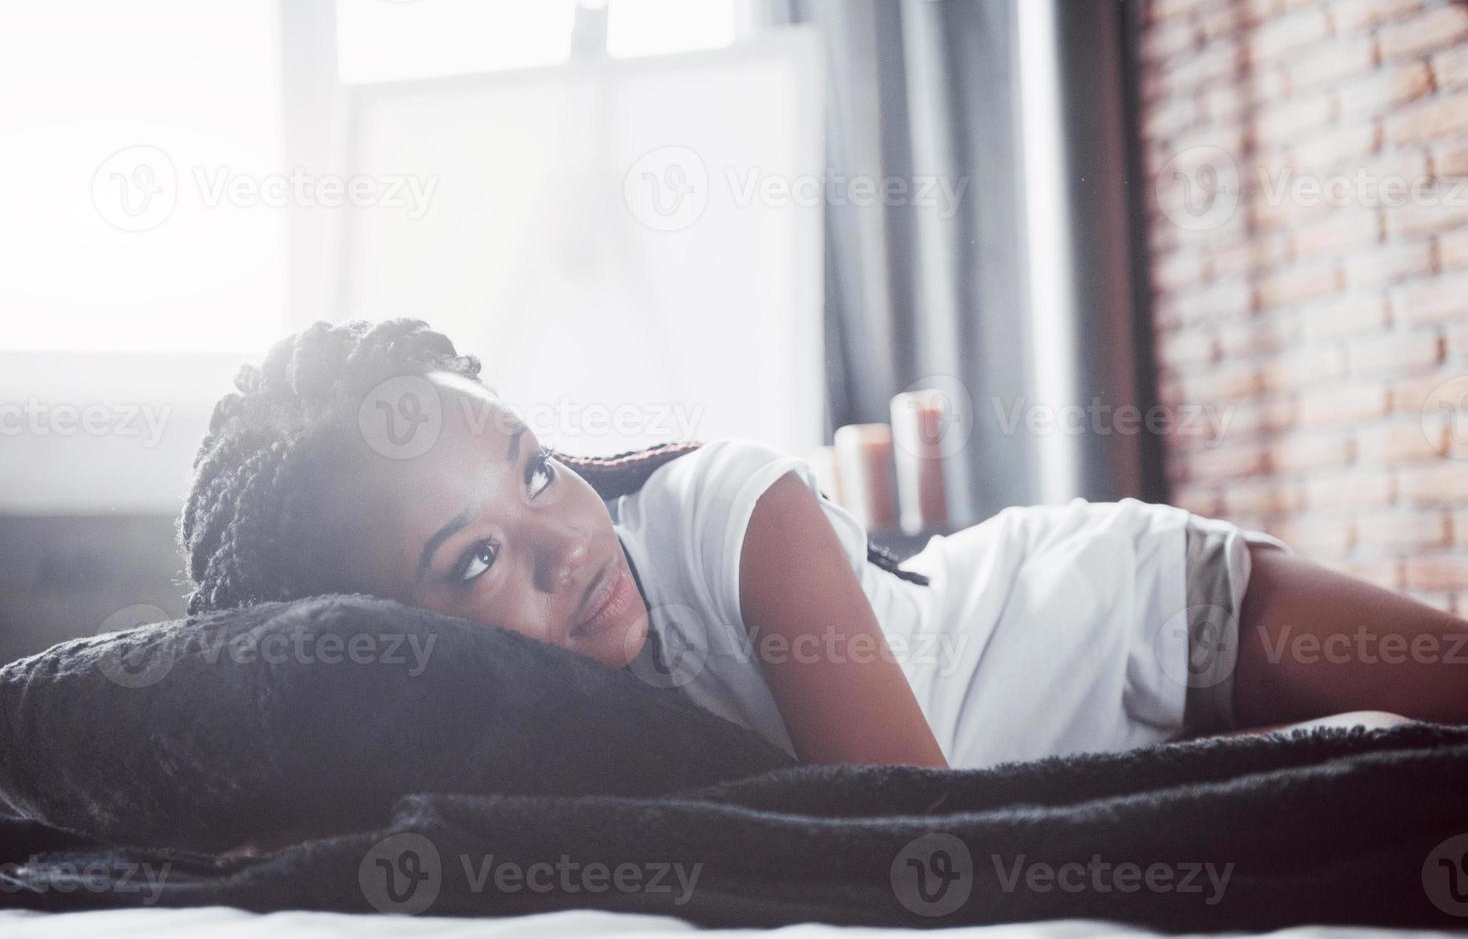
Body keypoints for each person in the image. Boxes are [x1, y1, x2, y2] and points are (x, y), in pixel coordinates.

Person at [180, 319, 1455, 771]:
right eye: (473, 561)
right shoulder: (477, 722)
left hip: (1147, 618)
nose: (562, 542)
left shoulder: (732, 513)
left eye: (535, 468)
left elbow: (898, 839)